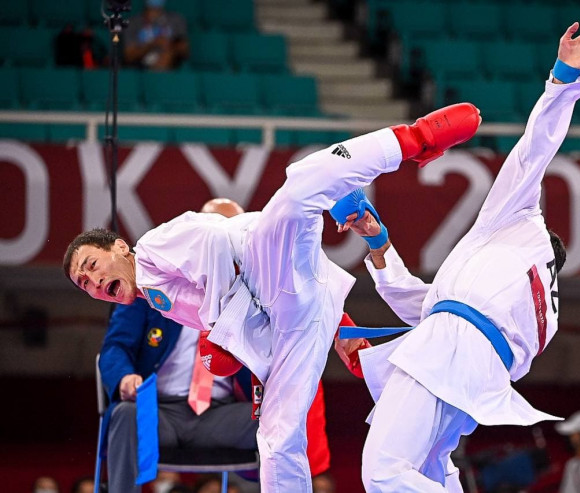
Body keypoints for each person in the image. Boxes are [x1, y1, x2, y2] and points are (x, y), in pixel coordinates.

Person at [63, 102, 480, 491]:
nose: (93, 282)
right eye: (84, 284)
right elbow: (241, 326)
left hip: (258, 260)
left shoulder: (153, 250)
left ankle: (413, 139)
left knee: (300, 189)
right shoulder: (155, 299)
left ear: (120, 247)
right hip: (291, 317)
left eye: (92, 265)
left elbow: (215, 243)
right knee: (278, 438)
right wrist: (307, 340)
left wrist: (220, 330)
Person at [330, 18, 580, 493]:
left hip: (450, 352)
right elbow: (427, 308)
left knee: (384, 472)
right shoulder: (534, 307)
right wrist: (379, 244)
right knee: (430, 470)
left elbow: (534, 151)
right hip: (473, 372)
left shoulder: (518, 220)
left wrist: (563, 77)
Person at [99, 198, 335, 493]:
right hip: (160, 413)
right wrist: (124, 378)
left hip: (221, 417)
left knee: (279, 422)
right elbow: (115, 348)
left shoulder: (256, 291)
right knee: (125, 414)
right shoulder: (147, 286)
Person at [123, 0, 188, 70]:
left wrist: (169, 49)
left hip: (169, 66)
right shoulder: (133, 23)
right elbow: (129, 55)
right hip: (142, 66)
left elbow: (184, 50)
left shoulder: (176, 20)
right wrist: (152, 44)